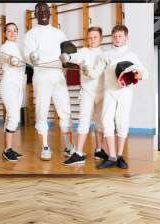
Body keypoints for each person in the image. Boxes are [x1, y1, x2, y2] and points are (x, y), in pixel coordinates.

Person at [83, 25, 148, 169]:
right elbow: (94, 73)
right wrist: (86, 69)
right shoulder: (105, 55)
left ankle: (119, 156)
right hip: (109, 92)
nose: (117, 39)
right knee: (106, 121)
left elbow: (144, 72)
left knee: (122, 122)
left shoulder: (131, 55)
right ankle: (111, 157)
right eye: (115, 36)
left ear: (126, 37)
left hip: (125, 92)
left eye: (120, 36)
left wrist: (139, 74)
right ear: (112, 37)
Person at [23, 2, 74, 161]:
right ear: (35, 14)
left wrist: (68, 60)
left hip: (58, 76)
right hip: (41, 76)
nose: (43, 13)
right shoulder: (30, 34)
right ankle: (45, 147)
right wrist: (31, 56)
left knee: (65, 110)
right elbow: (28, 56)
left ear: (50, 13)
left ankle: (68, 147)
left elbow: (67, 51)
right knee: (41, 111)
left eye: (46, 10)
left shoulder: (59, 33)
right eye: (40, 11)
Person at [61, 27, 108, 166]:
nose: (92, 40)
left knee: (100, 123)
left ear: (101, 39)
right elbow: (74, 57)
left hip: (102, 93)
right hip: (87, 91)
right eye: (90, 37)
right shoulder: (84, 51)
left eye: (95, 37)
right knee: (83, 121)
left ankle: (99, 150)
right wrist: (67, 57)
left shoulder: (105, 54)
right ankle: (79, 153)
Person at [0, 23, 26, 162]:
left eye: (15, 30)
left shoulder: (18, 48)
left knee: (11, 117)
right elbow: (2, 57)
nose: (12, 33)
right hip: (8, 85)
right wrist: (10, 60)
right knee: (14, 117)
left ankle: (7, 149)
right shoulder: (5, 47)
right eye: (9, 31)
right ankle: (7, 150)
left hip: (18, 86)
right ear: (5, 33)